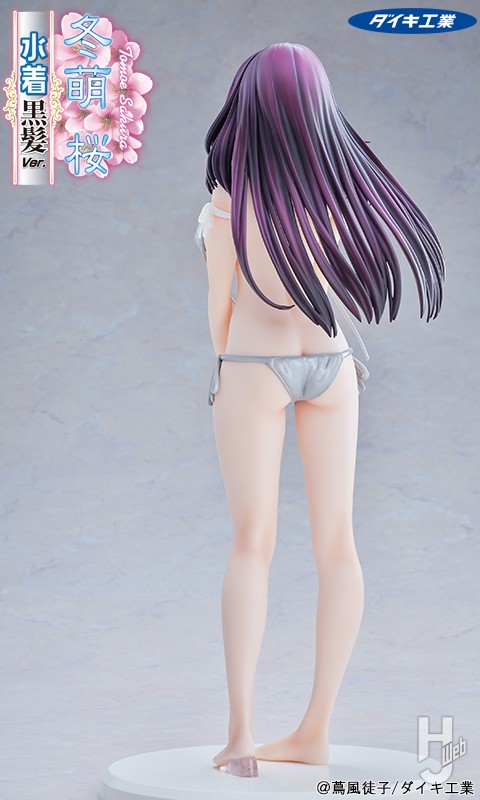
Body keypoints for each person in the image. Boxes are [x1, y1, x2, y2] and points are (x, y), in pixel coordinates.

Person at [195, 43, 445, 778]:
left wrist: (228, 370)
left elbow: (219, 313)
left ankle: (242, 735)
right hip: (334, 368)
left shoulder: (227, 206)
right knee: (338, 545)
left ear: (247, 110)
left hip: (254, 366)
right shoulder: (341, 198)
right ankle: (315, 730)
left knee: (252, 544)